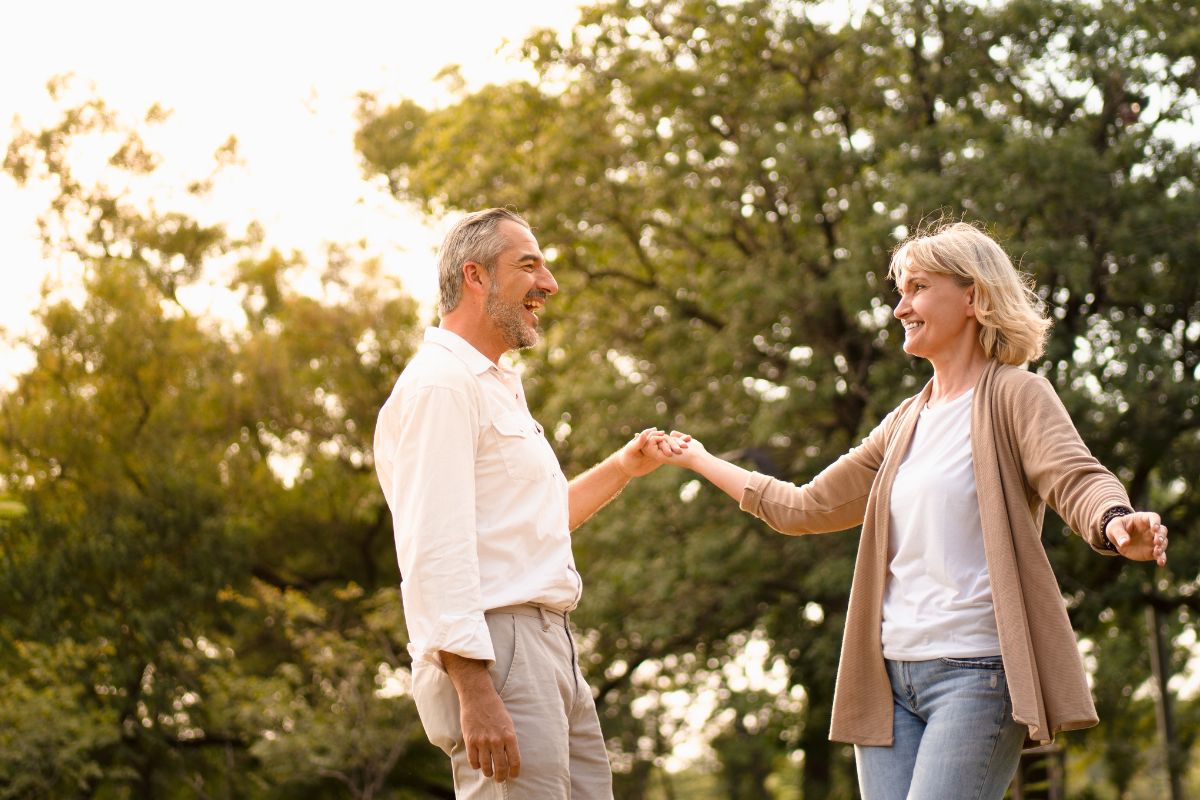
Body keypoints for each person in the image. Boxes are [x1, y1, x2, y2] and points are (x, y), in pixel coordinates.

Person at [652, 221, 1169, 800]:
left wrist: (1113, 519)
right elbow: (804, 506)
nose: (901, 308)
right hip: (888, 683)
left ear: (973, 295)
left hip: (976, 676)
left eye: (917, 288)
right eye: (900, 291)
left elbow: (1073, 475)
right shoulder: (902, 424)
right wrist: (700, 459)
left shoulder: (1016, 395)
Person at [374, 207, 678, 799]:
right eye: (529, 265)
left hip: (549, 647)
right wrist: (474, 687)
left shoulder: (495, 387)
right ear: (476, 276)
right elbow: (433, 544)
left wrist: (622, 468)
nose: (550, 283)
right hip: (495, 651)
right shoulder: (441, 384)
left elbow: (531, 528)